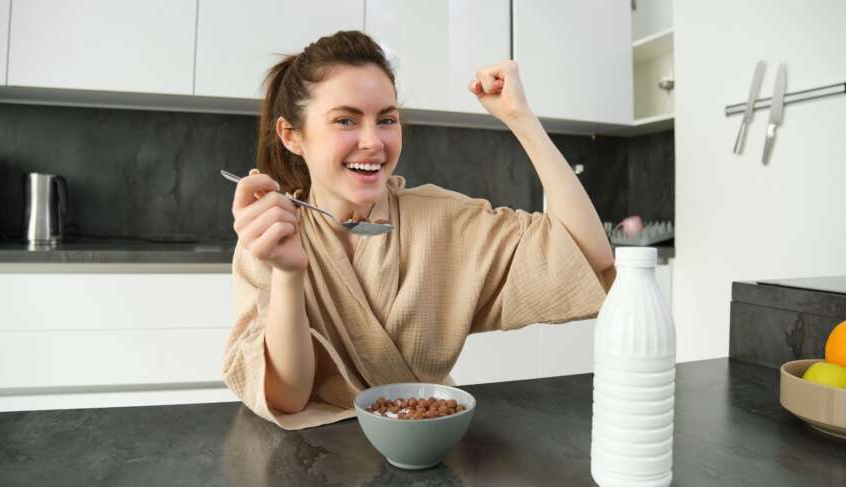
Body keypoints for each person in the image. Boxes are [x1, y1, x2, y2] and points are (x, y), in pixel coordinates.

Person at [223, 31, 615, 430]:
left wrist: (521, 119)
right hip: (316, 453)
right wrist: (289, 272)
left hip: (427, 439)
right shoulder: (270, 237)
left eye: (387, 120)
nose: (373, 141)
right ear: (292, 136)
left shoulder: (443, 220)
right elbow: (288, 398)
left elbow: (586, 255)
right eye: (346, 120)